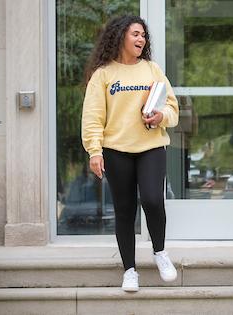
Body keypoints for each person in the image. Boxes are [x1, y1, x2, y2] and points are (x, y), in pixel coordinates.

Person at [81, 15, 179, 292]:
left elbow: (173, 109)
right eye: (135, 34)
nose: (141, 40)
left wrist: (160, 116)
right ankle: (130, 270)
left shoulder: (152, 69)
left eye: (143, 36)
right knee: (124, 211)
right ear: (120, 36)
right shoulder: (103, 74)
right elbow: (92, 117)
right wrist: (94, 151)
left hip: (150, 147)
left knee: (152, 200)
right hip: (116, 150)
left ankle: (160, 252)